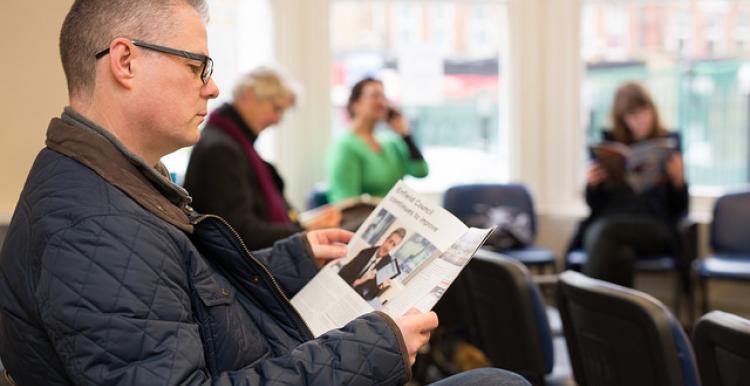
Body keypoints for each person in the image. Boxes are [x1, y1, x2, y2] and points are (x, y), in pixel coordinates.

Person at [0, 1, 530, 385]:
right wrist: (376, 348)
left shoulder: (112, 182)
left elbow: (183, 294)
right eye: (196, 66)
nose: (211, 86)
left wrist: (295, 257)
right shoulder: (98, 228)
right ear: (126, 62)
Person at [184, 67, 341, 250]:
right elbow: (240, 233)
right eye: (276, 109)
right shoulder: (221, 150)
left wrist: (307, 225)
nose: (277, 120)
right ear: (249, 95)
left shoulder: (234, 143)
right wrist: (303, 230)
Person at [568, 81, 689, 287]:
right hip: (612, 223)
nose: (640, 120)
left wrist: (679, 181)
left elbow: (680, 209)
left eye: (644, 111)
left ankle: (585, 312)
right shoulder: (608, 145)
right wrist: (592, 185)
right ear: (622, 119)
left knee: (602, 232)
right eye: (632, 115)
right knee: (622, 254)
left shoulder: (668, 144)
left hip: (653, 225)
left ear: (653, 110)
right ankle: (617, 319)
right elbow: (594, 205)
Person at [326, 77, 429, 203]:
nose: (383, 103)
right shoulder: (345, 146)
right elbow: (346, 202)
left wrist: (405, 135)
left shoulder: (390, 143)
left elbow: (421, 171)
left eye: (384, 97)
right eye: (375, 96)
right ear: (355, 104)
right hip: (365, 220)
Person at [339, 228, 405, 300]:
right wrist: (360, 281)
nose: (388, 247)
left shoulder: (387, 267)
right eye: (390, 241)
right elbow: (343, 272)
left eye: (393, 245)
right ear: (386, 239)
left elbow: (372, 295)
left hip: (359, 299)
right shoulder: (366, 252)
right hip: (344, 288)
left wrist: (382, 286)